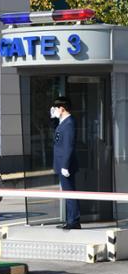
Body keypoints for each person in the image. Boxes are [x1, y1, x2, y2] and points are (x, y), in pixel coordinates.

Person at [51, 96, 80, 229]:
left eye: (56, 109)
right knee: (68, 193)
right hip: (63, 164)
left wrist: (65, 166)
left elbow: (69, 146)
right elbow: (56, 135)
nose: (55, 111)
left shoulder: (69, 123)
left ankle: (73, 221)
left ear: (62, 108)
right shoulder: (63, 122)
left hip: (65, 165)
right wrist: (52, 119)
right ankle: (71, 220)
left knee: (70, 193)